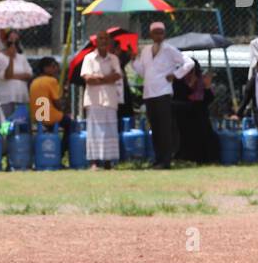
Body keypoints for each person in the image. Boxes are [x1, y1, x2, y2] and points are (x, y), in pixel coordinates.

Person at [131, 21, 193, 169]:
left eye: (161, 32)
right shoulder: (146, 50)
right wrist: (133, 59)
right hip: (149, 93)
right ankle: (158, 159)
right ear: (151, 34)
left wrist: (176, 74)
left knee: (165, 128)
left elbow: (189, 63)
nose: (158, 35)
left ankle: (166, 160)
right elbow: (142, 71)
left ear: (164, 34)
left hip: (163, 92)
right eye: (156, 32)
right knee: (155, 128)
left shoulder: (170, 50)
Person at [80, 30, 124, 169]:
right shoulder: (89, 58)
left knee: (110, 130)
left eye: (106, 38)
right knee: (94, 130)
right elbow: (88, 79)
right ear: (96, 41)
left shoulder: (114, 59)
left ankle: (108, 162)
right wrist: (107, 78)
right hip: (93, 100)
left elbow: (117, 76)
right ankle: (94, 162)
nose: (103, 41)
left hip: (110, 99)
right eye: (101, 38)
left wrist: (99, 77)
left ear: (109, 41)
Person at [172, 62, 218, 164]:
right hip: (183, 114)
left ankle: (206, 158)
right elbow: (180, 97)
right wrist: (189, 86)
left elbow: (208, 100)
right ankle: (185, 157)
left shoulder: (200, 82)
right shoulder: (178, 82)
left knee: (205, 130)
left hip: (199, 115)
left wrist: (207, 87)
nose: (191, 75)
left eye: (194, 72)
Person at [0, 30, 33, 122]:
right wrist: (11, 58)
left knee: (21, 125)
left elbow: (29, 75)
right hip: (6, 99)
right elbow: (7, 75)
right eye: (11, 41)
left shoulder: (21, 57)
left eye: (16, 41)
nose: (13, 44)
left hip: (20, 97)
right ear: (5, 41)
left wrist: (13, 76)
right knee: (5, 127)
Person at [29, 57, 70, 136]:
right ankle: (64, 147)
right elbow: (57, 102)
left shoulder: (34, 81)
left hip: (37, 116)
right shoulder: (51, 81)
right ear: (45, 68)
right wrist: (63, 110)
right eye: (53, 66)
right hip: (50, 116)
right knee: (71, 124)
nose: (56, 69)